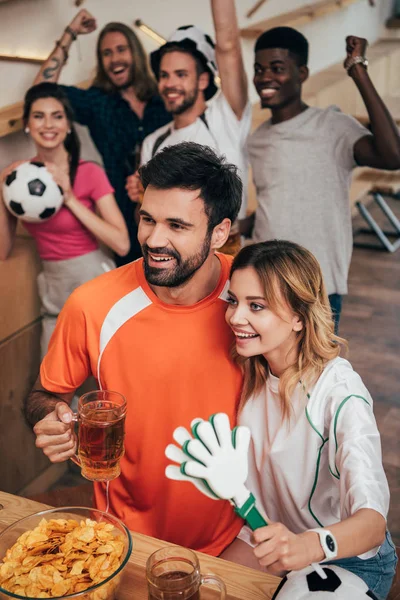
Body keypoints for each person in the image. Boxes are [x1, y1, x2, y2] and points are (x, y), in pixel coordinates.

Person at [25, 142, 244, 556]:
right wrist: (55, 419)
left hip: (238, 537)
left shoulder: (253, 299)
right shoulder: (92, 303)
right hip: (122, 538)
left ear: (219, 232)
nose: (154, 239)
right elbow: (43, 394)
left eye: (177, 226)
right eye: (147, 219)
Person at [220, 240, 397, 600]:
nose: (236, 317)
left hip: (347, 558)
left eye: (256, 306)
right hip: (272, 541)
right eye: (233, 301)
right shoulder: (248, 370)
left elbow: (373, 523)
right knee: (205, 585)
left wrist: (310, 545)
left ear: (299, 316)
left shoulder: (340, 391)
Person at [245, 28, 400, 329]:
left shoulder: (331, 126)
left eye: (277, 68)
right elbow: (278, 202)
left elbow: (393, 156)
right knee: (267, 374)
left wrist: (358, 70)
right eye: (259, 69)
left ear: (301, 73)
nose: (265, 77)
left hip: (317, 288)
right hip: (265, 281)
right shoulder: (258, 139)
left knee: (314, 375)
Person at [0, 82, 129, 358]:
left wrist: (69, 198)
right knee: (53, 386)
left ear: (68, 125)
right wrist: (1, 191)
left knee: (103, 382)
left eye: (57, 116)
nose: (49, 124)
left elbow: (121, 244)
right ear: (27, 124)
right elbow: (3, 251)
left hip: (93, 280)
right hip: (53, 288)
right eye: (39, 116)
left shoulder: (88, 171)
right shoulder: (19, 180)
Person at [34, 9, 171, 266]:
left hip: (171, 209)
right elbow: (40, 91)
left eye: (121, 50)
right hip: (123, 219)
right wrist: (70, 33)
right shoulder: (97, 102)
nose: (114, 59)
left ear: (135, 53)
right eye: (106, 53)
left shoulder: (163, 97)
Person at [126, 0, 251, 229]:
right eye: (164, 75)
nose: (169, 83)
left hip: (230, 255)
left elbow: (228, 46)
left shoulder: (225, 117)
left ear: (203, 79)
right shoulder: (152, 143)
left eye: (181, 74)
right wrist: (140, 199)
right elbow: (145, 222)